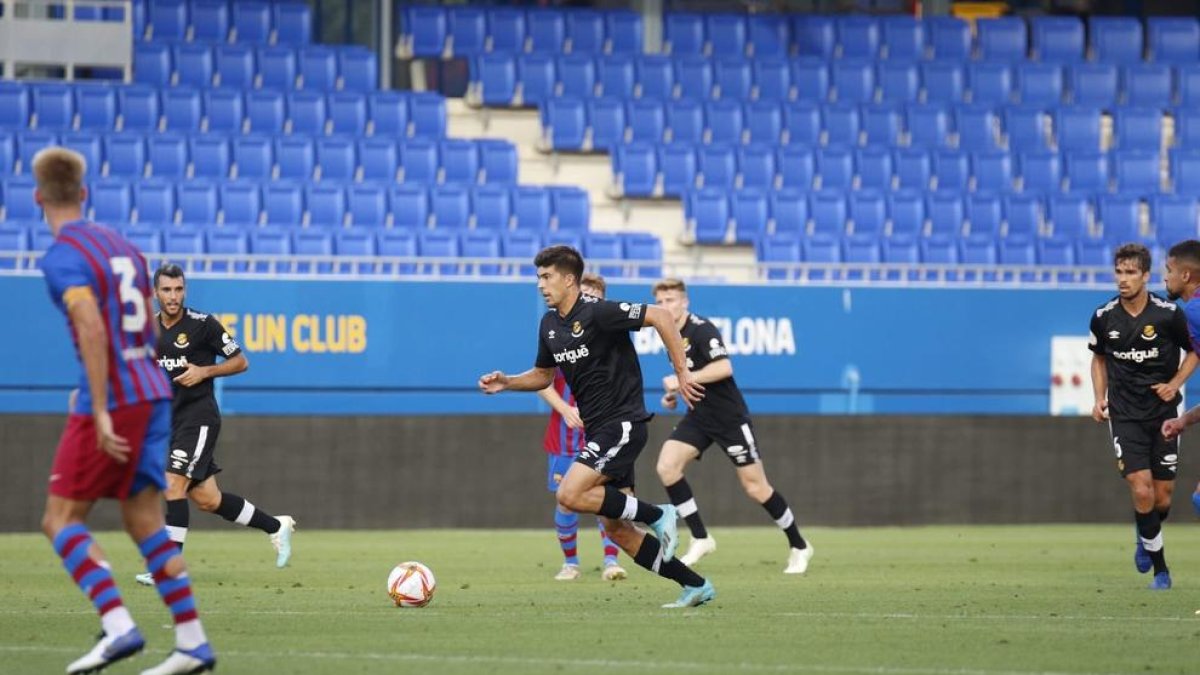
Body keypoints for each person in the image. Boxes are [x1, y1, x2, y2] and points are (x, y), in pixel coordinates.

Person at [33, 146, 216, 674]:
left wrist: (100, 403)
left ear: (38, 198)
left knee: (60, 519)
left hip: (112, 400)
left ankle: (118, 626)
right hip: (152, 392)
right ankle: (192, 643)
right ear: (84, 194)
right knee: (144, 523)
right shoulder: (125, 248)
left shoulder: (62, 257)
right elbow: (138, 330)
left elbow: (91, 326)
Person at [479, 245, 714, 608]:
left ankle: (659, 514)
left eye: (547, 277)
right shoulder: (549, 325)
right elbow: (543, 376)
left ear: (569, 279)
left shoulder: (599, 313)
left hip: (622, 424)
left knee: (569, 495)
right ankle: (695, 584)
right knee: (617, 529)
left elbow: (662, 317)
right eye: (538, 278)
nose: (540, 285)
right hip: (599, 430)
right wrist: (508, 382)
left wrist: (682, 371)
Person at [134, 264, 295, 587]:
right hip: (171, 423)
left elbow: (241, 361)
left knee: (172, 485)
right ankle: (276, 526)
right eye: (166, 290)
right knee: (208, 499)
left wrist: (204, 372)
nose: (173, 296)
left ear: (185, 290)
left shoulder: (202, 324)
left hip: (199, 417)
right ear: (154, 293)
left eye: (178, 289)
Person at [651, 279, 813, 574]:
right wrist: (673, 394)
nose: (665, 306)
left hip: (729, 418)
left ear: (684, 302)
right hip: (699, 417)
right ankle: (701, 538)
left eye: (671, 300)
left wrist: (683, 380)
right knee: (667, 466)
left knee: (755, 487)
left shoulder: (701, 329)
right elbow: (688, 374)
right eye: (660, 302)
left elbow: (723, 368)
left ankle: (799, 545)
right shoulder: (669, 333)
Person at [1090, 243, 1196, 591]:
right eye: (1119, 272)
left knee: (1162, 497)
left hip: (1164, 413)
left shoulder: (1169, 314)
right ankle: (1161, 571)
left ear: (1146, 276)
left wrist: (1174, 383)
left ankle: (1145, 534)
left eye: (1131, 272)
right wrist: (1098, 399)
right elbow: (1099, 359)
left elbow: (1196, 352)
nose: (1123, 279)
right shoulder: (1103, 317)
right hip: (1125, 415)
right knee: (1141, 489)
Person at [537, 272, 627, 582]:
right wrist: (565, 409)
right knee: (566, 499)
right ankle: (571, 563)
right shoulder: (558, 333)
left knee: (604, 499)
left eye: (595, 297)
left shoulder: (613, 339)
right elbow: (541, 380)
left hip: (604, 433)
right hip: (565, 438)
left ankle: (611, 561)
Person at [1160, 239, 1200, 520]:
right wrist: (1184, 420)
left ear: (1185, 275)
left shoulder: (1195, 311)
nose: (1165, 277)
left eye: (1169, 270)